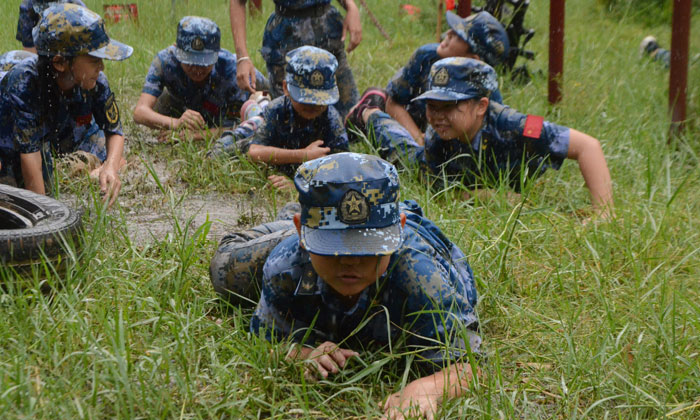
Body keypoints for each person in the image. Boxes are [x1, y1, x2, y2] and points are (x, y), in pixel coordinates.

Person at [210, 152, 481, 419]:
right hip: (296, 242)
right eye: (333, 247)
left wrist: (427, 389)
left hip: (405, 234)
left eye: (368, 248)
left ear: (397, 232)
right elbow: (266, 342)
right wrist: (300, 352)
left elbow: (470, 366)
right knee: (224, 272)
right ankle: (290, 218)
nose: (350, 261)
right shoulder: (286, 266)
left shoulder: (422, 276)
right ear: (302, 234)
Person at [346, 57, 614, 219]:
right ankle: (369, 112)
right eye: (432, 106)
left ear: (481, 106)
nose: (437, 116)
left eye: (450, 106)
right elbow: (441, 196)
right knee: (402, 153)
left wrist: (604, 212)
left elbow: (587, 146)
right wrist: (485, 195)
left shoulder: (518, 125)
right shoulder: (438, 140)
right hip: (437, 163)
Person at [0, 3, 132, 206]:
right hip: (9, 139)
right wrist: (45, 218)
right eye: (94, 59)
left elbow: (114, 131)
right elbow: (30, 156)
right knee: (15, 197)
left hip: (48, 134)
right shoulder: (25, 83)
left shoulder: (96, 81)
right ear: (60, 63)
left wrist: (111, 167)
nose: (102, 66)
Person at [133, 16, 269, 141]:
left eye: (204, 63)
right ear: (176, 49)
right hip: (184, 105)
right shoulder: (165, 61)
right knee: (163, 102)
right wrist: (177, 123)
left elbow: (238, 127)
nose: (197, 69)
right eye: (190, 62)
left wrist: (195, 136)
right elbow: (140, 112)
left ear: (217, 54)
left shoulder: (232, 72)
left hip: (228, 109)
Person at [382, 11, 509, 145]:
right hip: (412, 123)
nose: (448, 34)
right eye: (452, 29)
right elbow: (393, 103)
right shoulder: (426, 56)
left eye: (459, 36)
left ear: (472, 59)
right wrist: (418, 138)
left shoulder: (486, 91)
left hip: (450, 141)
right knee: (376, 104)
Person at [240, 46, 349, 189]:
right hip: (264, 123)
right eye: (305, 98)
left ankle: (258, 104)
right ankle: (255, 106)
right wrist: (302, 155)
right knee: (240, 138)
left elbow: (344, 173)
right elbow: (253, 152)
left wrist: (300, 186)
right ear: (286, 88)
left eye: (319, 99)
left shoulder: (332, 120)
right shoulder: (277, 109)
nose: (312, 105)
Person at [229, 0, 361, 117]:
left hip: (326, 32)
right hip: (286, 39)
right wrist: (242, 58)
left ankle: (263, 97)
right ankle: (260, 105)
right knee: (290, 124)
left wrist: (351, 6)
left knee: (350, 120)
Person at [16, 0, 87, 54]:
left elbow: (86, 45)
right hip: (44, 55)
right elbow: (30, 49)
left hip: (73, 53)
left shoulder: (76, 5)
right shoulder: (28, 6)